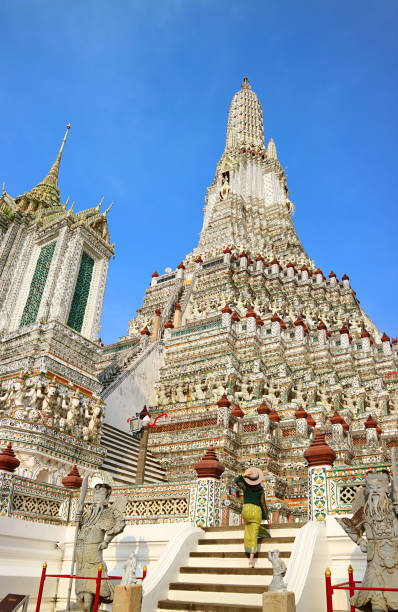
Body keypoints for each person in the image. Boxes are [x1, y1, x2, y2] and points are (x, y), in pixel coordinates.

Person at [75, 483, 126, 612]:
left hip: (93, 550)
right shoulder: (87, 514)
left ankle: (90, 606)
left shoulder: (108, 513)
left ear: (107, 497)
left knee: (93, 581)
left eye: (101, 494)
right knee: (81, 581)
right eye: (96, 494)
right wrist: (78, 519)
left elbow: (120, 524)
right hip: (80, 551)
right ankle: (84, 605)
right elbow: (79, 530)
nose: (97, 497)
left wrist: (107, 541)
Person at [235, 467, 269, 568]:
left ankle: (247, 548)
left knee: (248, 531)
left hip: (246, 511)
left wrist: (244, 475)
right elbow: (263, 504)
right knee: (254, 534)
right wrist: (266, 517)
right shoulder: (260, 490)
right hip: (255, 512)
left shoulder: (245, 487)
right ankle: (251, 560)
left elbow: (236, 480)